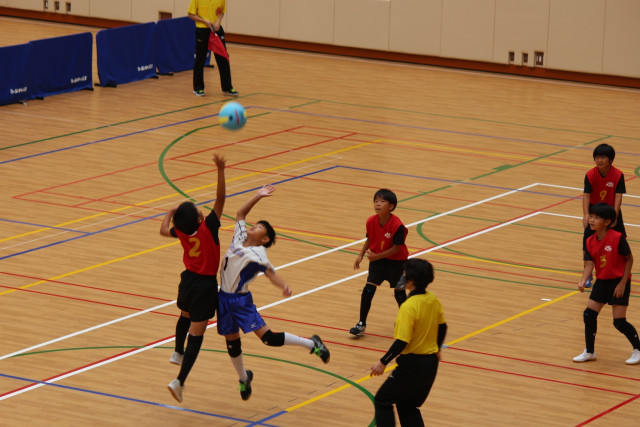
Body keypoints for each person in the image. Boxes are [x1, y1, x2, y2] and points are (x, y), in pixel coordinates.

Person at [217, 184, 330, 400]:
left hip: (240, 302)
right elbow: (240, 213)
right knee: (232, 342)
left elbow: (270, 273)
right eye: (256, 224)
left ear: (265, 239)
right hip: (222, 298)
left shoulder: (258, 253)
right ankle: (243, 378)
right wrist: (258, 195)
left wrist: (283, 285)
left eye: (260, 227)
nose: (254, 226)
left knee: (268, 339)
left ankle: (312, 344)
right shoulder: (239, 237)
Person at [160, 153, 226, 402]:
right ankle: (179, 381)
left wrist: (170, 212)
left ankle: (177, 351)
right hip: (205, 286)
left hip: (187, 281)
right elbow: (220, 199)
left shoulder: (181, 231)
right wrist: (221, 170)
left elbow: (163, 230)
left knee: (184, 316)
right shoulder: (209, 227)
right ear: (200, 219)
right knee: (197, 336)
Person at [370, 258, 447, 427]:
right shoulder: (433, 300)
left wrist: (382, 362)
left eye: (404, 274)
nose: (402, 276)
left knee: (382, 400)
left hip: (411, 366)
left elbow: (402, 341)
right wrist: (437, 348)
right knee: (407, 405)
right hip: (430, 365)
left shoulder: (408, 306)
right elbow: (443, 326)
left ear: (411, 281)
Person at [573, 203, 640, 365]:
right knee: (589, 314)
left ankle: (638, 349)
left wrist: (623, 282)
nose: (591, 220)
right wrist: (583, 280)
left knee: (619, 322)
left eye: (596, 217)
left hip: (619, 281)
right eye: (591, 216)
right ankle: (590, 352)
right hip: (602, 281)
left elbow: (629, 259)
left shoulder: (617, 238)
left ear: (607, 221)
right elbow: (589, 264)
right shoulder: (589, 241)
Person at [350, 189, 409, 336]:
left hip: (397, 262)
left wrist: (376, 257)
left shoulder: (397, 225)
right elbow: (370, 238)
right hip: (378, 260)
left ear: (391, 206)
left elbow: (396, 248)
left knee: (399, 293)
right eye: (376, 201)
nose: (378, 204)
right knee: (368, 289)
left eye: (382, 201)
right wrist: (361, 255)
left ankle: (407, 322)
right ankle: (361, 324)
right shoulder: (371, 221)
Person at [582, 143, 626, 288]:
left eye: (603, 157)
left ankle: (619, 273)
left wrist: (615, 215)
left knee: (620, 241)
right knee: (587, 243)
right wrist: (586, 214)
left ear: (610, 160)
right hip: (594, 211)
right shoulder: (590, 174)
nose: (599, 160)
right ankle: (588, 275)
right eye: (597, 157)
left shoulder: (618, 175)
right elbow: (586, 195)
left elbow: (618, 196)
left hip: (611, 211)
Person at [187, 0, 238, 97]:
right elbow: (190, 14)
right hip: (202, 29)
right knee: (200, 58)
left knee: (223, 57)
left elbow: (222, 12)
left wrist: (218, 21)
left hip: (216, 29)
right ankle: (198, 88)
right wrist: (204, 21)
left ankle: (227, 87)